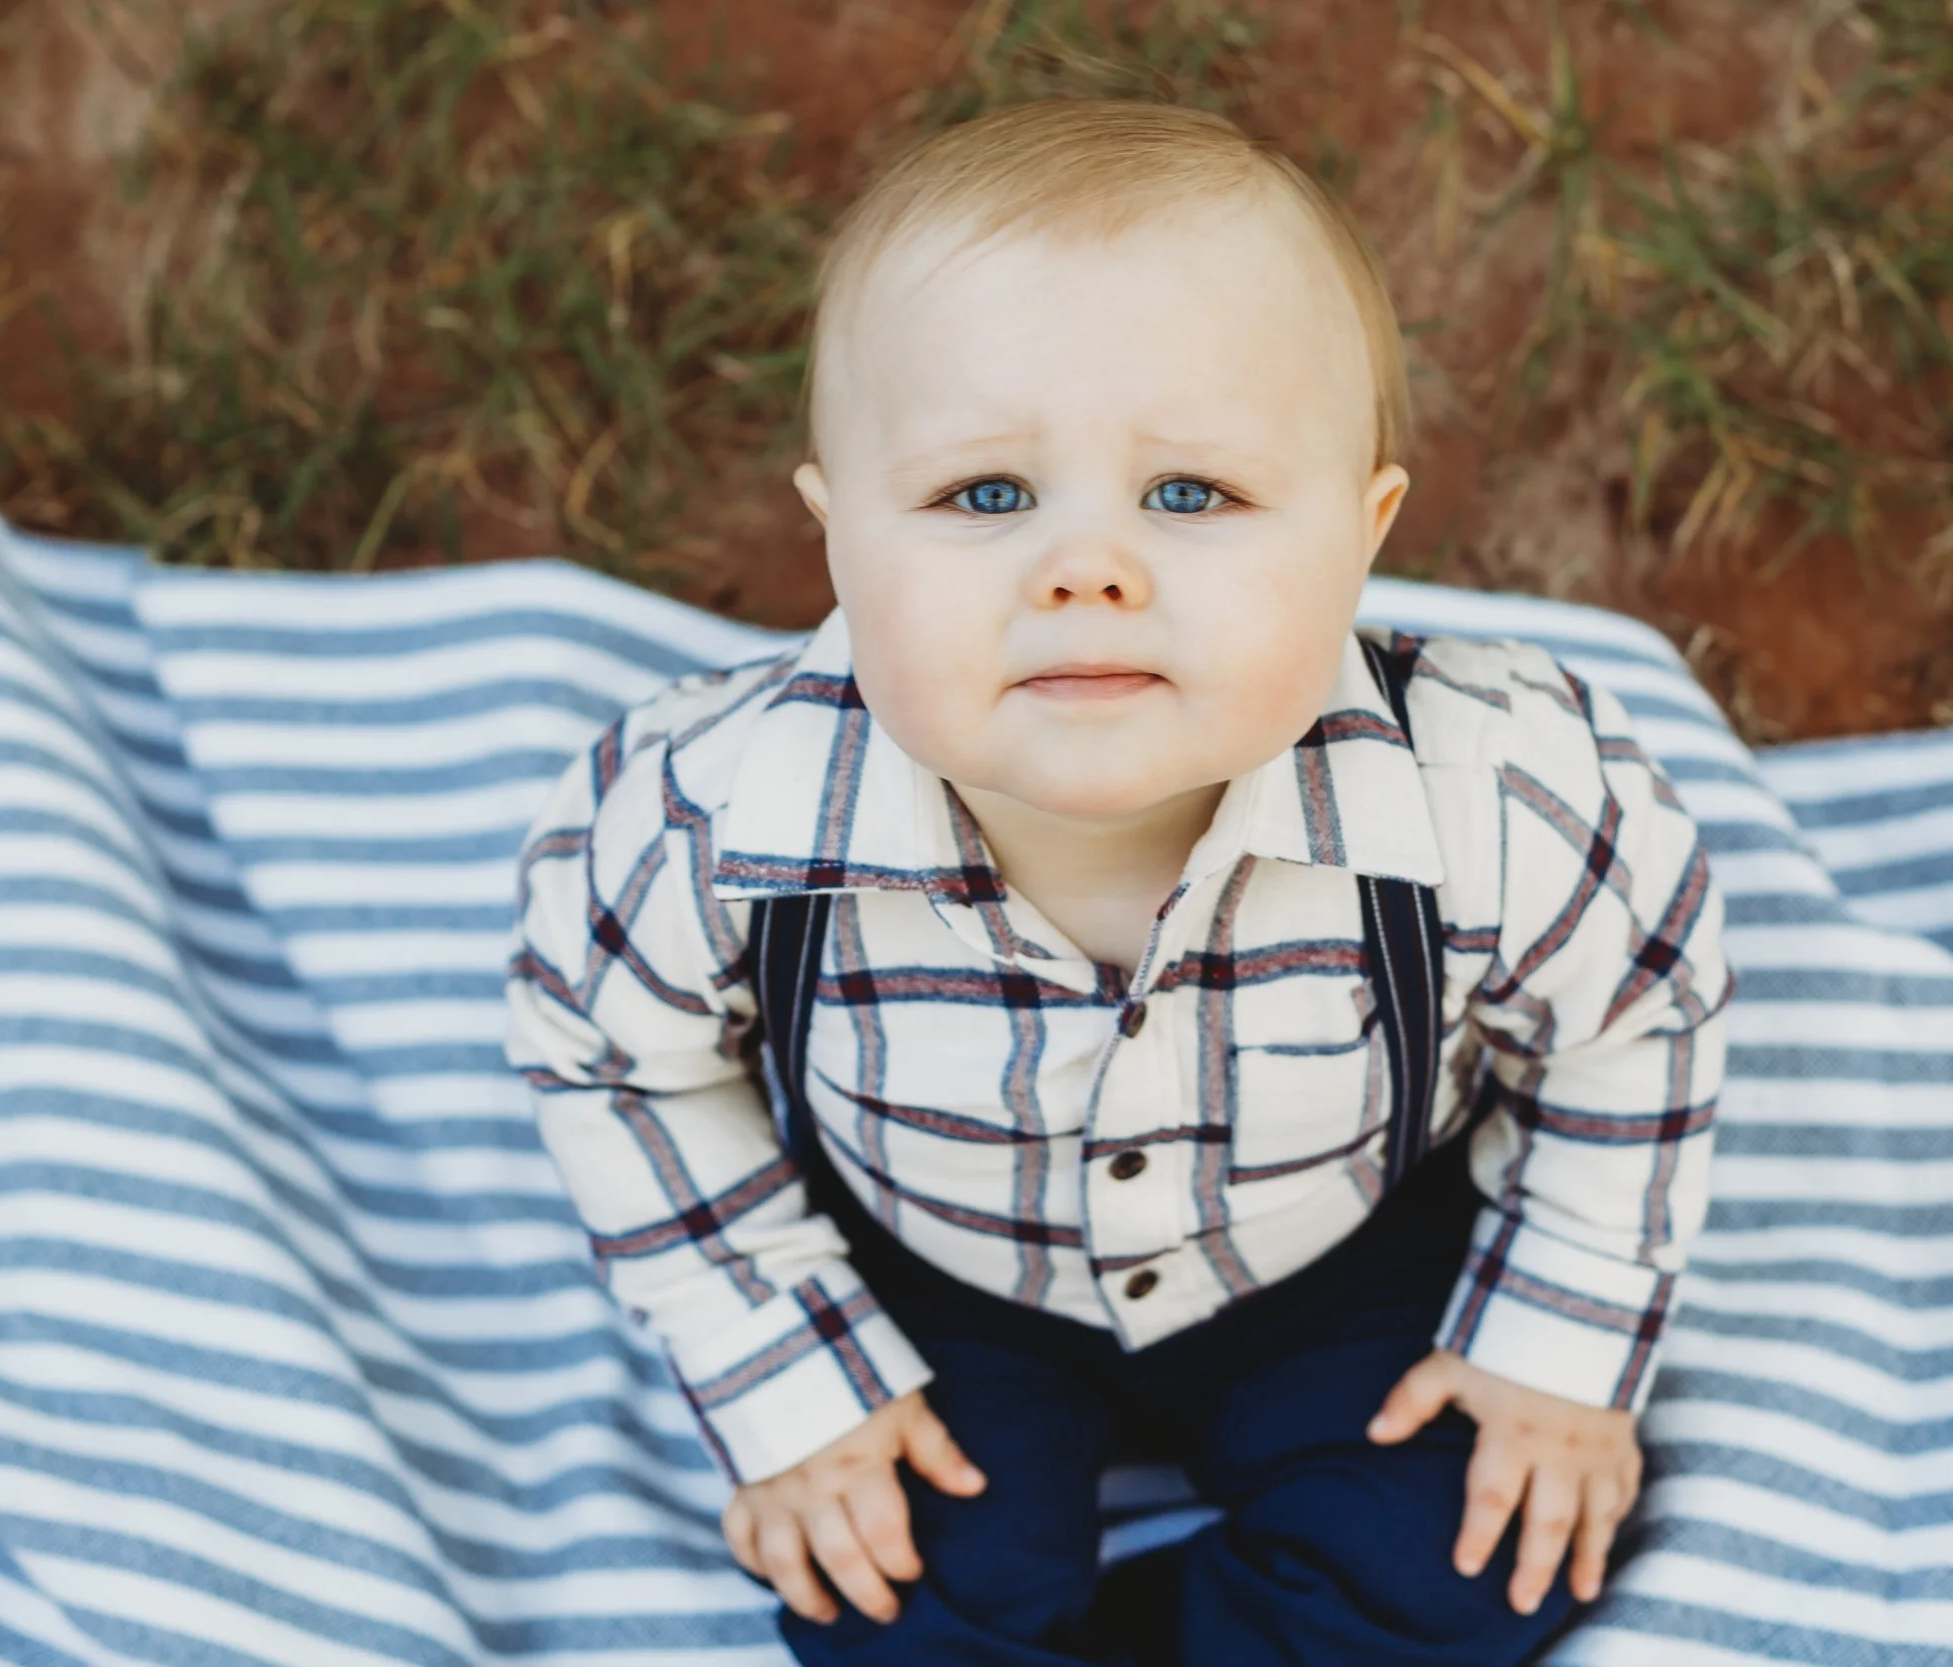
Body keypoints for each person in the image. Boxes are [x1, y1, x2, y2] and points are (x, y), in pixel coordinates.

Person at [504, 98, 1730, 1667]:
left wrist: (1555, 1344)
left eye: (1191, 494)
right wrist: (787, 1369)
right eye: (985, 495)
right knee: (881, 1586)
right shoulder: (709, 816)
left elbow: (1639, 1016)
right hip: (934, 1267)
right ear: (838, 538)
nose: (1088, 568)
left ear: (1361, 536)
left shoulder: (1494, 793)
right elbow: (611, 1053)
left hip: (1331, 1248)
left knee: (1484, 1545)